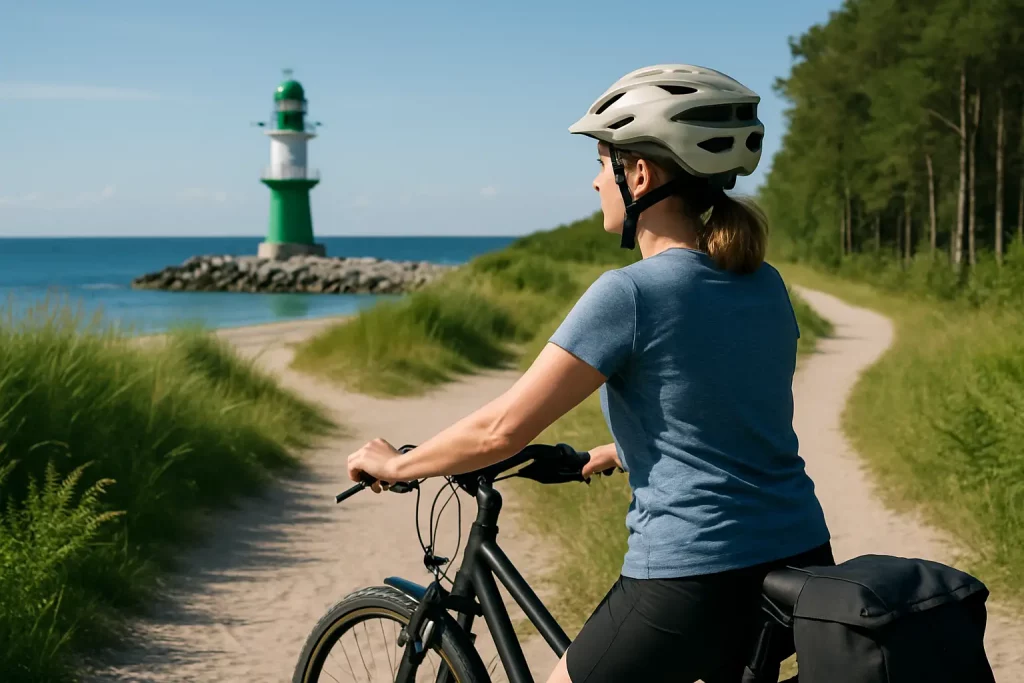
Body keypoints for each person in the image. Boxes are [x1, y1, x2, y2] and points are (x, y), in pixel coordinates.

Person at [346, 64, 833, 683]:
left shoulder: (630, 293)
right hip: (802, 564)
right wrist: (620, 450)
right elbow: (729, 409)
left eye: (604, 163)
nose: (596, 180)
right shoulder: (764, 283)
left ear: (640, 174)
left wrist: (398, 465)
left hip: (696, 578)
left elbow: (501, 430)